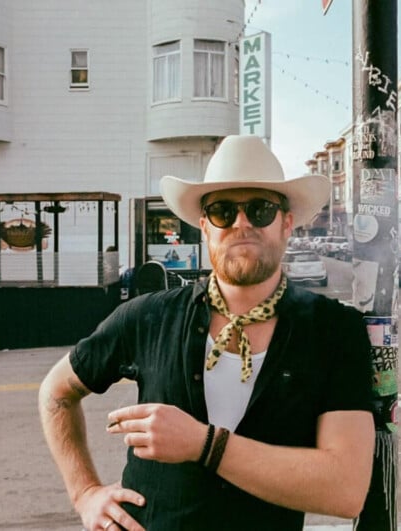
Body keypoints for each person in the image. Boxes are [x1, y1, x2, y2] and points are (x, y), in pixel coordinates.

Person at [38, 135, 376, 531]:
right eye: (222, 211)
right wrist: (85, 494)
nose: (242, 224)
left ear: (286, 224)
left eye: (260, 209)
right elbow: (56, 393)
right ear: (204, 227)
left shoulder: (333, 331)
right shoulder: (149, 317)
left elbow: (345, 490)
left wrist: (204, 444)